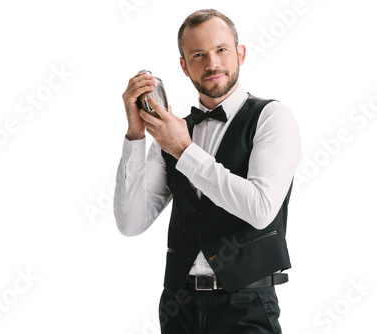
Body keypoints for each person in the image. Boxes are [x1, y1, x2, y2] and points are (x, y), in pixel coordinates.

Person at [114, 8, 301, 334]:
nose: (212, 63)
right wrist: (135, 135)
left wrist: (184, 150)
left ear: (240, 53)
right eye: (198, 54)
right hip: (178, 305)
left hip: (245, 303)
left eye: (221, 50)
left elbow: (260, 210)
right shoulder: (170, 133)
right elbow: (130, 223)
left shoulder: (271, 118)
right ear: (184, 66)